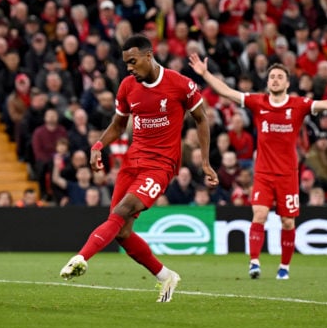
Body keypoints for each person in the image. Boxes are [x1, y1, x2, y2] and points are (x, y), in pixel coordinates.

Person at [60, 35, 218, 302]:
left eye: (132, 61)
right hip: (132, 163)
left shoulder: (181, 85)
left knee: (122, 211)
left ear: (149, 56)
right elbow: (119, 124)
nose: (129, 68)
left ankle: (81, 258)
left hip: (161, 166)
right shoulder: (127, 87)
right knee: (121, 231)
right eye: (125, 63)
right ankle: (165, 276)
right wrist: (98, 144)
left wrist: (204, 162)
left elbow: (202, 120)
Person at [189, 54, 327, 280]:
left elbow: (326, 104)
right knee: (259, 214)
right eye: (272, 77)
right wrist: (205, 73)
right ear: (267, 83)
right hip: (264, 173)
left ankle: (284, 267)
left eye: (279, 77)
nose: (275, 80)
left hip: (288, 174)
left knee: (287, 221)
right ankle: (254, 263)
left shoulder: (298, 105)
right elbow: (228, 92)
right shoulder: (258, 102)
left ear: (287, 83)